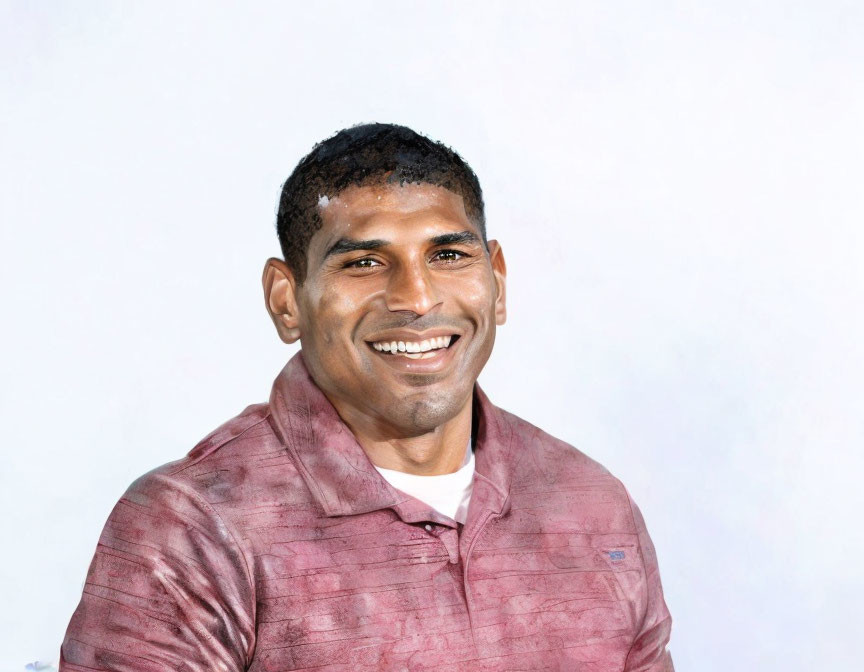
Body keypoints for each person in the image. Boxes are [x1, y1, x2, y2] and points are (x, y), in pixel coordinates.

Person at [59, 123, 674, 670]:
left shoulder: (591, 505)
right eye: (363, 263)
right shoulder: (194, 524)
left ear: (497, 281)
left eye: (449, 255)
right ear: (286, 299)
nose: (416, 298)